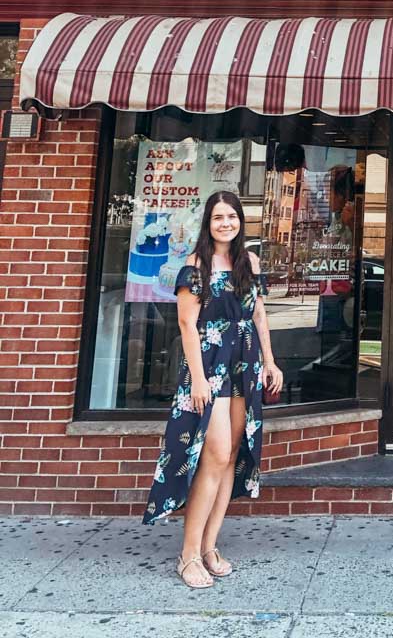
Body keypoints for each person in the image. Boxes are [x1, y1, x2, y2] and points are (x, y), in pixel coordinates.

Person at [143, 190, 283, 588]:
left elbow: (258, 313)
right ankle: (187, 555)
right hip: (210, 368)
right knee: (215, 454)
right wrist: (199, 378)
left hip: (246, 366)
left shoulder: (249, 261)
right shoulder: (195, 266)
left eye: (232, 216)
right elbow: (188, 325)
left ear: (240, 221)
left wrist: (270, 360)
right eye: (218, 217)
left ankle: (209, 545)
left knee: (232, 453)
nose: (226, 223)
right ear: (208, 223)